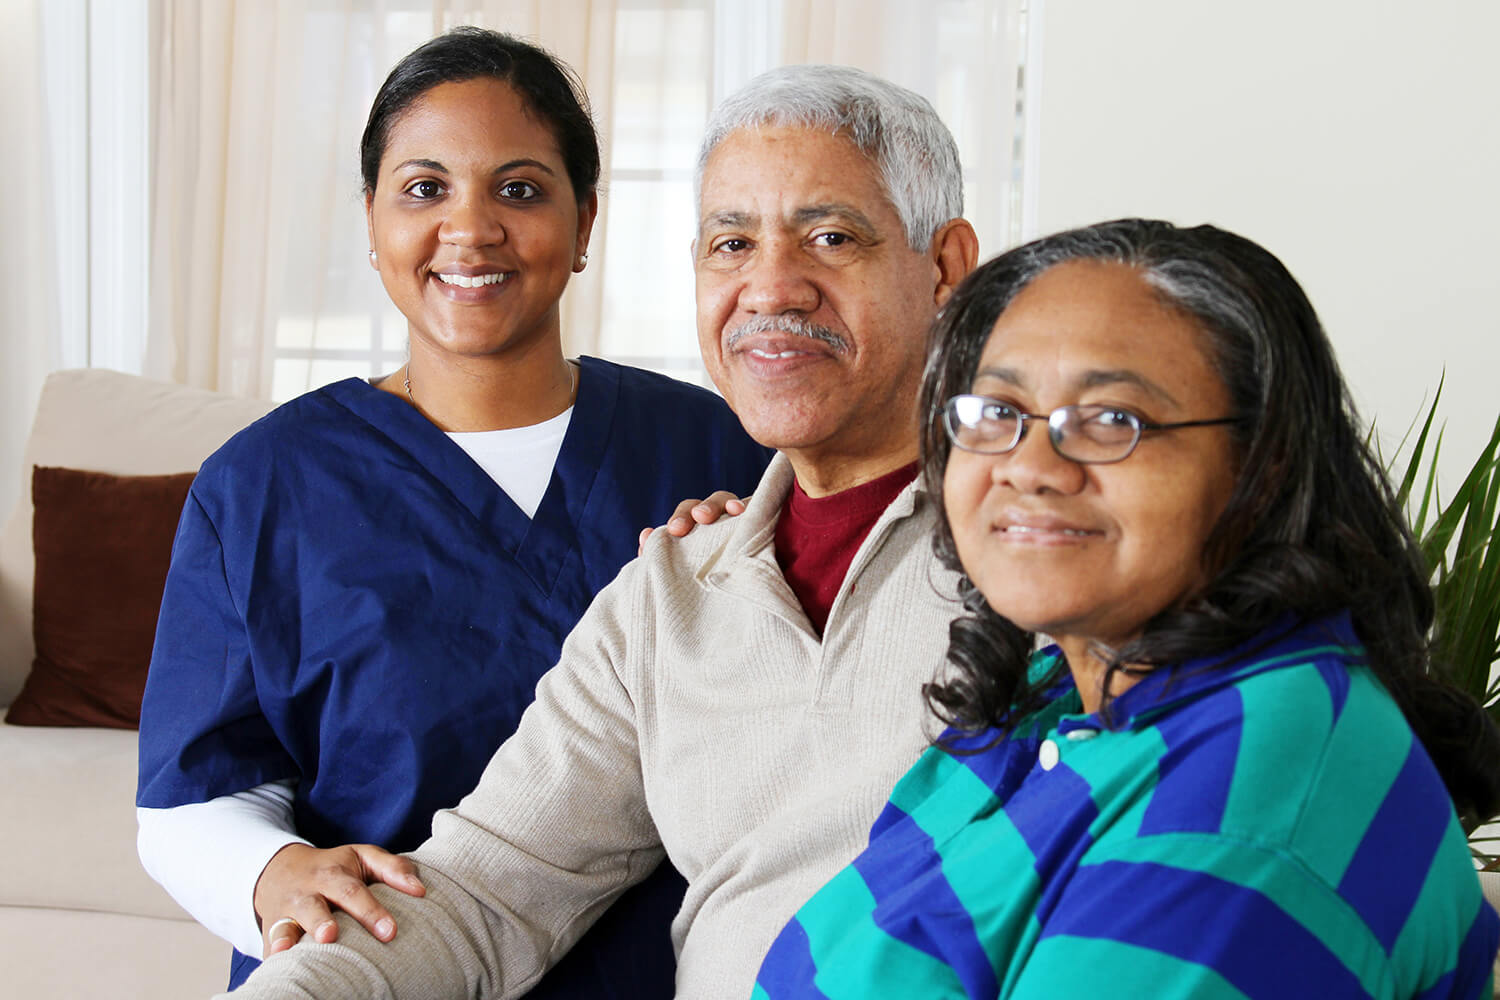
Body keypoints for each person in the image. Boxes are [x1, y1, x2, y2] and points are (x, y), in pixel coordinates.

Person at [216, 63, 981, 998]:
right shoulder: (669, 595)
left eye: (830, 236)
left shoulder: (1044, 556)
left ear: (944, 267)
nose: (772, 287)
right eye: (731, 244)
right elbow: (483, 894)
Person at [134, 27, 771, 995]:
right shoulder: (263, 485)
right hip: (382, 964)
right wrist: (273, 873)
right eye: (424, 189)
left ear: (586, 219)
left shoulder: (719, 449)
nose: (470, 229)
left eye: (519, 189)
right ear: (371, 217)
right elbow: (195, 793)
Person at [753, 219, 1500, 998]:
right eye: (996, 412)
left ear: (1263, 464)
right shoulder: (1047, 698)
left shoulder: (1257, 792)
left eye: (1113, 420)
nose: (1030, 467)